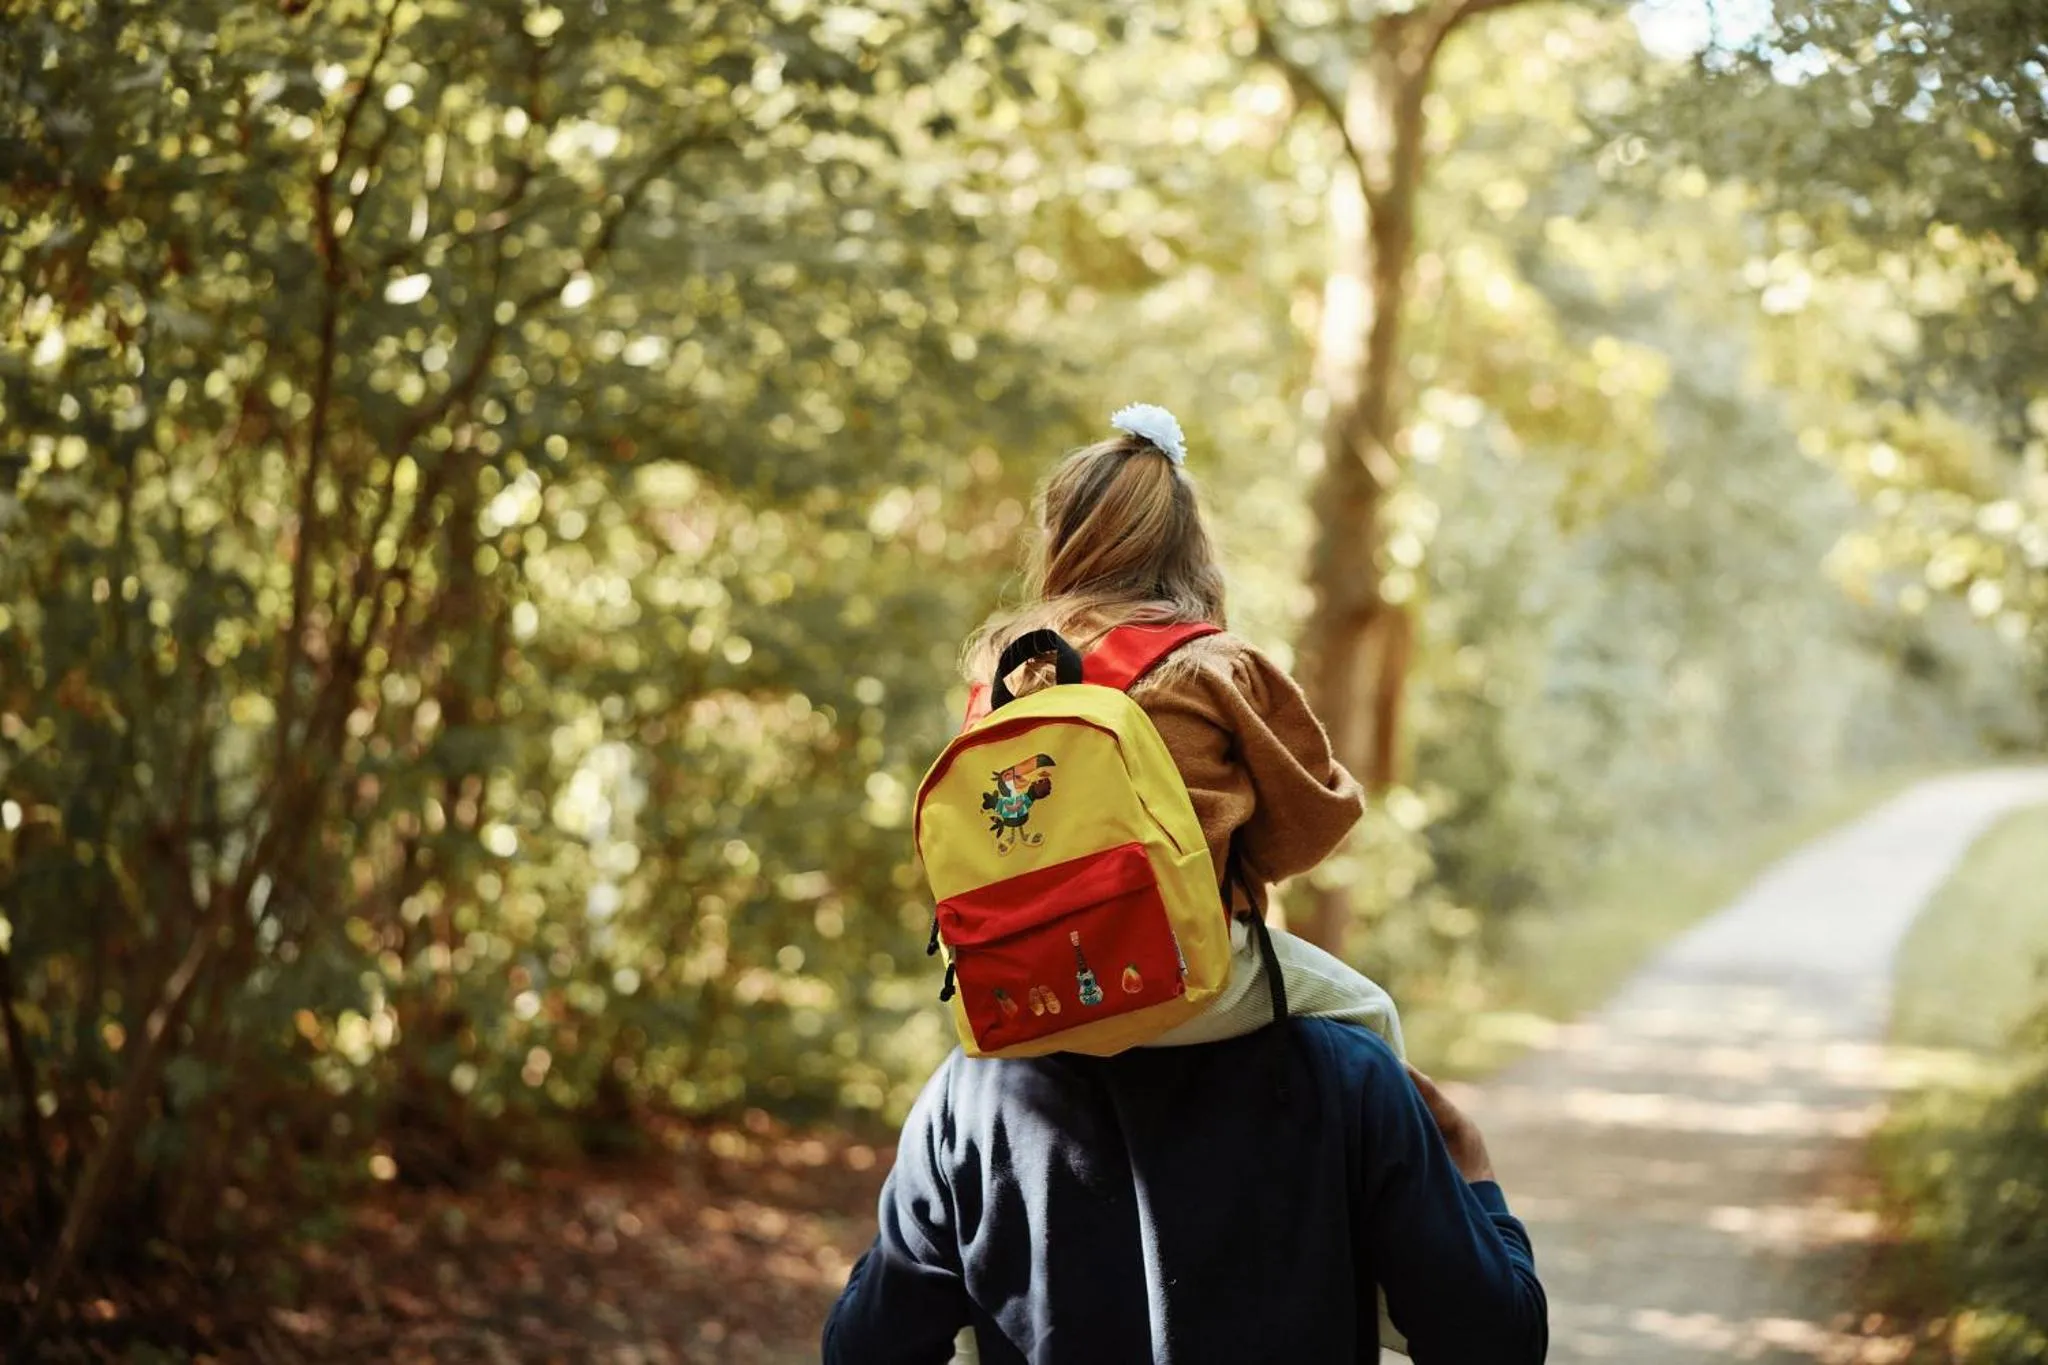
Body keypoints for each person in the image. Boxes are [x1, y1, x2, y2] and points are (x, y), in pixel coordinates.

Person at [823, 409, 1546, 1359]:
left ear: (1059, 541)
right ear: (1189, 545)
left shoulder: (1000, 681)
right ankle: (1385, 1287)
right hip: (1202, 980)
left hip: (1036, 990)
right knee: (1365, 1012)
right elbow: (1314, 819)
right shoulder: (1214, 662)